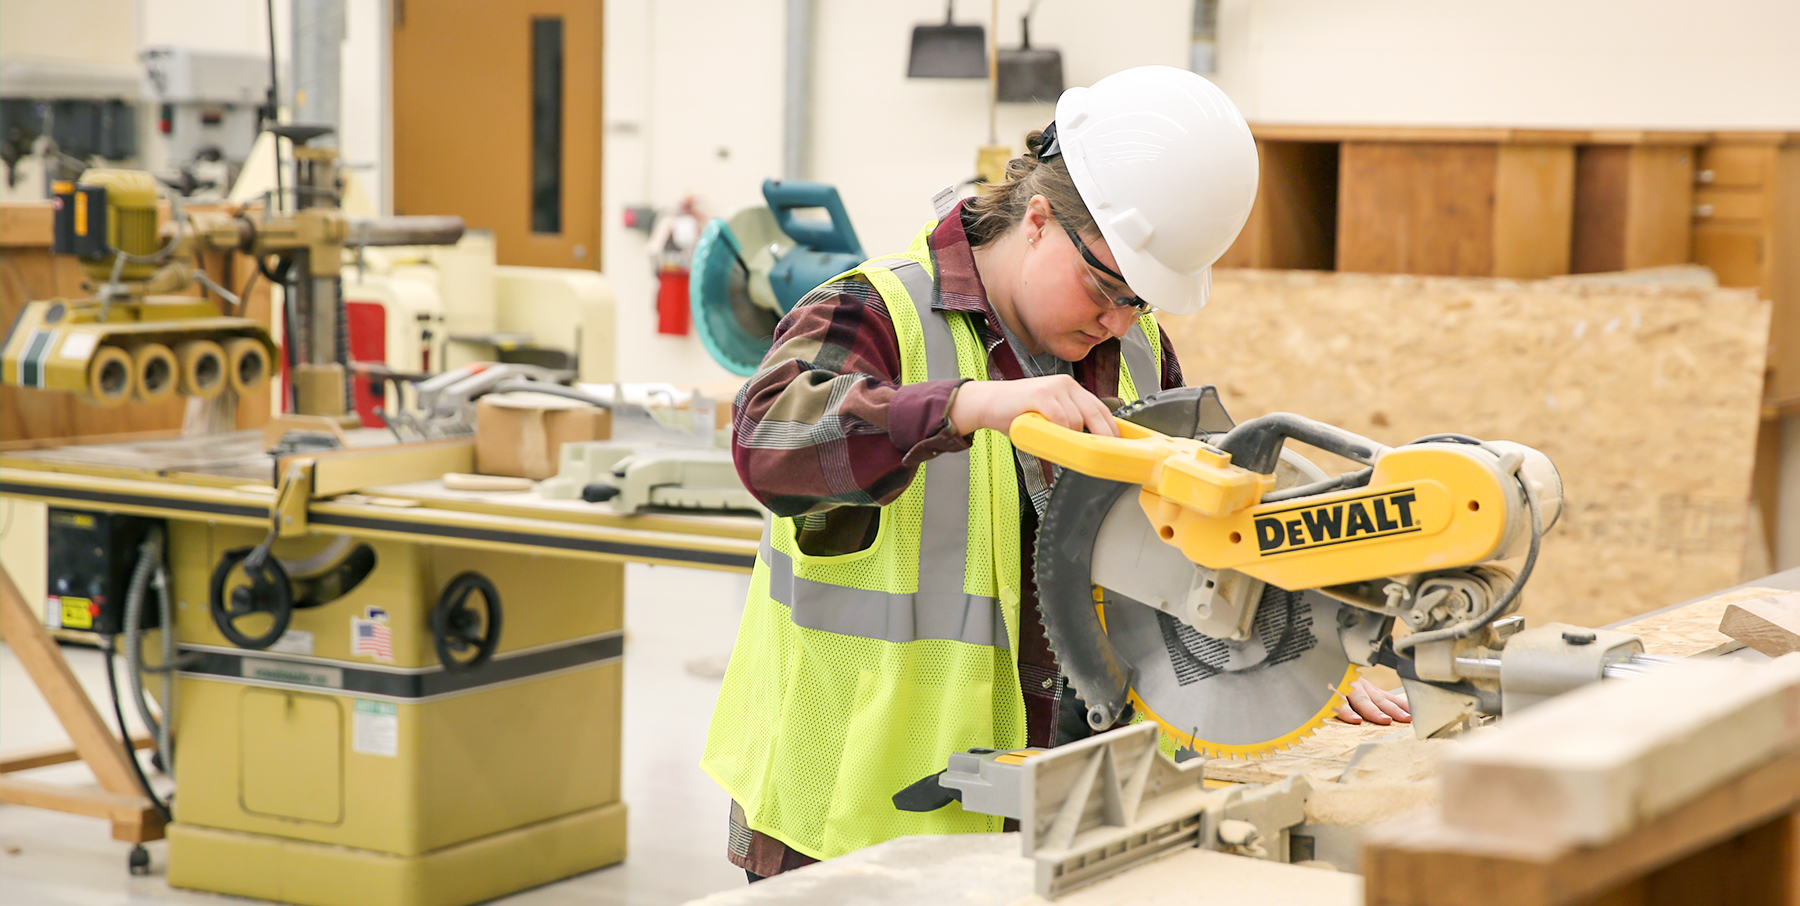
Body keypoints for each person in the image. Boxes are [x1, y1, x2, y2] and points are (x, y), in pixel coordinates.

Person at [700, 64, 1406, 882]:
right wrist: (964, 407)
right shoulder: (874, 312)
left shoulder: (1135, 352)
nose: (1118, 318)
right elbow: (768, 444)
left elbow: (1184, 540)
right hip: (855, 817)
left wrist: (1287, 653)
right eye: (1106, 286)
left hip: (1064, 811)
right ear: (1038, 220)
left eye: (1140, 299)